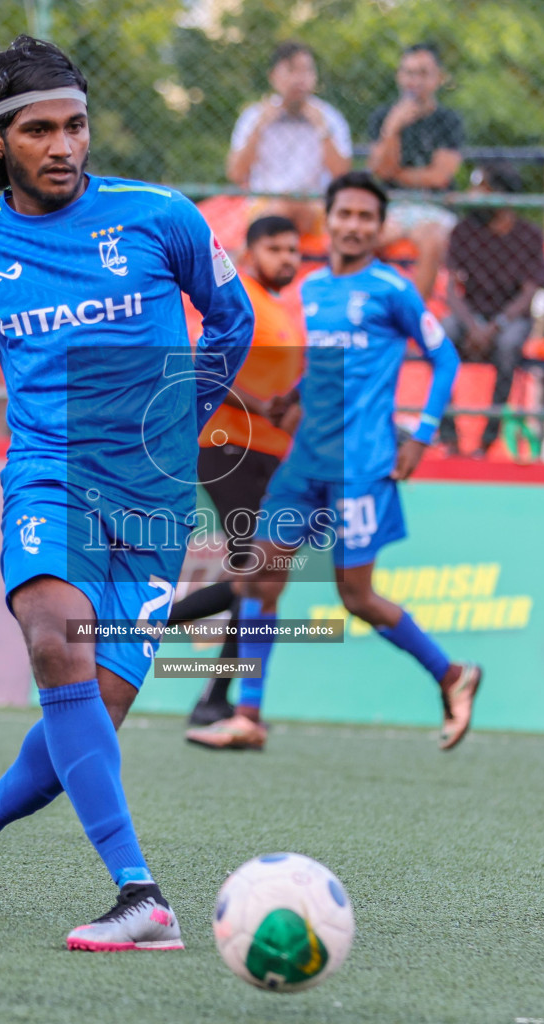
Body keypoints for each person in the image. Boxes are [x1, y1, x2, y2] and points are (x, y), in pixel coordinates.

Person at [0, 37, 253, 950]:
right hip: (51, 474)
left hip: (155, 499)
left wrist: (180, 416)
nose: (62, 146)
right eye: (38, 129)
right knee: (55, 642)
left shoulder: (161, 217)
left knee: (88, 722)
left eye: (74, 125)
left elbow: (232, 320)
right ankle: (141, 896)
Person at [184, 171, 481, 753]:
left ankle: (452, 674)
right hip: (303, 464)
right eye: (344, 214)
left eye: (366, 217)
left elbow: (444, 358)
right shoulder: (311, 290)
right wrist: (287, 404)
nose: (353, 225)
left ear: (377, 228)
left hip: (361, 467)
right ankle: (247, 715)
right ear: (330, 218)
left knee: (357, 598)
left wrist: (420, 435)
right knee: (257, 578)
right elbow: (313, 370)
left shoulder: (391, 290)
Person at [166, 214, 304, 728]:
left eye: (293, 249)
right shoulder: (238, 296)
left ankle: (216, 699)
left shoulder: (283, 313)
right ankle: (148, 628)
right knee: (255, 567)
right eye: (276, 248)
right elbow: (203, 362)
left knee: (260, 574)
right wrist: (261, 405)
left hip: (269, 454)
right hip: (227, 445)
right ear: (250, 252)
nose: (287, 257)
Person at [442, 162, 544, 456]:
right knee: (441, 336)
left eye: (482, 189)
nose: (474, 196)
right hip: (470, 315)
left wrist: (496, 325)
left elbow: (529, 292)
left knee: (507, 345)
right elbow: (452, 289)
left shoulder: (528, 235)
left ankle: (487, 439)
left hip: (509, 318)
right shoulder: (464, 231)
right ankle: (448, 435)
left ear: (502, 196)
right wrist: (473, 325)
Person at [367, 42, 465, 299]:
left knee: (431, 242)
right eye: (409, 73)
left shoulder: (448, 121)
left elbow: (439, 177)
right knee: (360, 237)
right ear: (400, 76)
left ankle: (416, 318)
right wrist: (393, 128)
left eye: (423, 73)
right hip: (393, 207)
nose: (415, 80)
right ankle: (369, 310)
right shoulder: (384, 117)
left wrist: (396, 174)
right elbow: (380, 171)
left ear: (438, 78)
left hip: (434, 208)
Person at [227, 42, 352, 235]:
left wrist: (322, 130)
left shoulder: (329, 117)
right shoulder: (253, 117)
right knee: (281, 208)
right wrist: (258, 130)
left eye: (307, 71)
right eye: (291, 70)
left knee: (293, 206)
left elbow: (342, 175)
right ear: (273, 77)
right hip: (264, 204)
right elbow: (236, 174)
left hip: (315, 206)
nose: (299, 79)